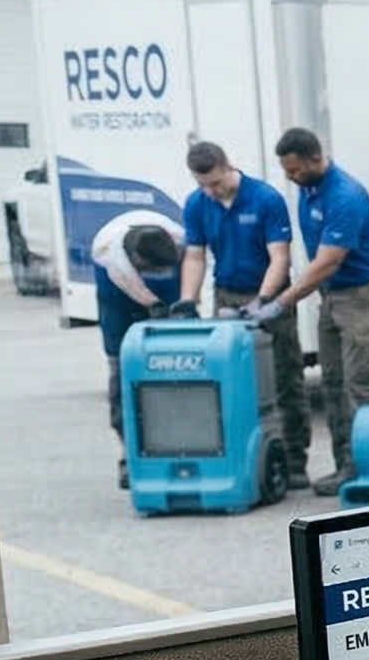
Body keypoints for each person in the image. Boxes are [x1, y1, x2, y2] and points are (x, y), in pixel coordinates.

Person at [265, 126, 369, 495]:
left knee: (361, 386)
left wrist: (281, 301)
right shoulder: (310, 190)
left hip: (362, 296)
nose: (289, 178)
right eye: (286, 171)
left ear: (315, 159)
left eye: (294, 170)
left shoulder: (344, 196)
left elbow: (327, 262)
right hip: (333, 296)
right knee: (334, 385)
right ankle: (346, 467)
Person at [178, 141, 304, 480]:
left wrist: (263, 300)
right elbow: (194, 255)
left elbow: (280, 256)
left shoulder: (265, 199)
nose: (211, 191)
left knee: (284, 377)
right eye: (203, 185)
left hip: (267, 293)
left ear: (227, 166)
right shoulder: (197, 203)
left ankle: (294, 460)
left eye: (216, 183)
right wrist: (188, 299)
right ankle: (240, 457)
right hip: (227, 294)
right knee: (234, 380)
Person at [89, 206, 188, 488]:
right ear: (137, 259)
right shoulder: (110, 252)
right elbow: (132, 286)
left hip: (164, 287)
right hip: (117, 300)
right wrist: (153, 304)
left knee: (176, 363)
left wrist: (184, 306)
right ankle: (128, 455)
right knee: (121, 370)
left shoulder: (178, 237)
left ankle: (179, 442)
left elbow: (195, 265)